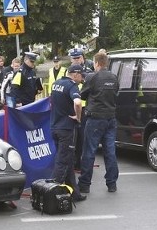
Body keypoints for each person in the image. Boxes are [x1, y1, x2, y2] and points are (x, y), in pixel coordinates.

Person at [78, 52, 120, 193]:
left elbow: (82, 94)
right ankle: (112, 183)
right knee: (110, 151)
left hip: (95, 118)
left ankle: (84, 184)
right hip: (110, 118)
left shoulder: (92, 77)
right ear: (106, 63)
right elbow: (116, 94)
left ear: (96, 63)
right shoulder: (114, 77)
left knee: (89, 152)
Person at [50, 63, 87, 202]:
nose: (82, 78)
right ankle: (52, 192)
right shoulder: (72, 85)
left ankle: (75, 193)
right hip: (66, 129)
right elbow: (77, 102)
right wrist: (78, 117)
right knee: (62, 161)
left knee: (68, 160)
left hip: (54, 127)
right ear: (75, 74)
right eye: (81, 75)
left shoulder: (56, 83)